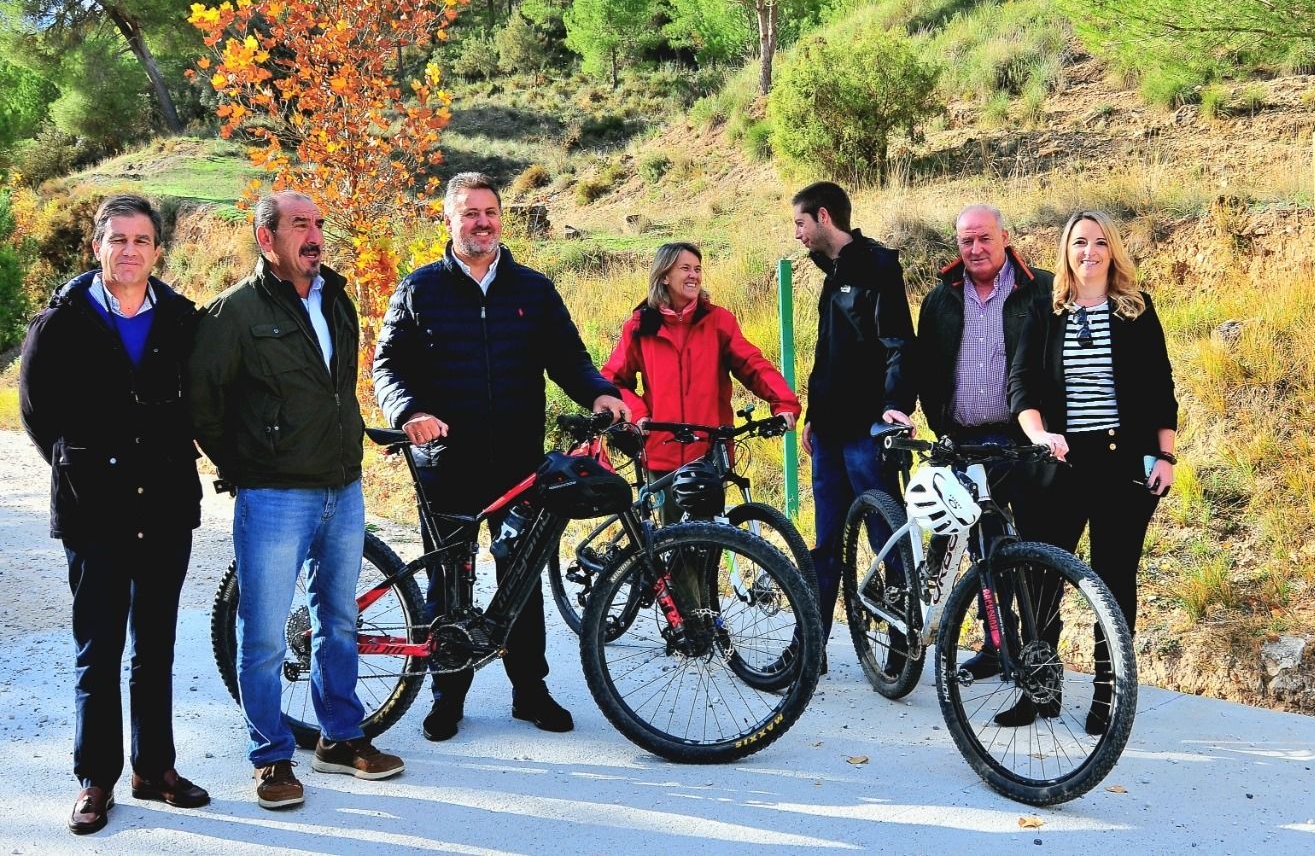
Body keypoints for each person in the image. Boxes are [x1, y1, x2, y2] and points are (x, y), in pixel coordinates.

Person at [373, 172, 629, 743]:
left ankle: (530, 692)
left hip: (519, 464)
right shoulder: (419, 289)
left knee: (522, 578)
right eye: (470, 213)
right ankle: (447, 696)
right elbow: (387, 367)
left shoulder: (532, 289)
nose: (482, 222)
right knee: (449, 580)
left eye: (490, 212)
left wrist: (600, 393)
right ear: (449, 220)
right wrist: (409, 411)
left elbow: (570, 359)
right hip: (445, 462)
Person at [189, 191, 404, 810]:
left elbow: (340, 388)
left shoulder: (335, 297)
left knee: (339, 621)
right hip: (275, 494)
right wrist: (247, 466)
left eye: (318, 224)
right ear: (267, 239)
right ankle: (271, 757)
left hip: (343, 486)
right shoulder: (234, 312)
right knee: (263, 636)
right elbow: (203, 404)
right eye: (299, 225)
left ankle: (340, 737)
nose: (314, 236)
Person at [20, 194, 210, 834]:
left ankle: (154, 769)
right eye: (118, 239)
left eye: (142, 240)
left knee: (154, 647)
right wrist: (81, 466)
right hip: (93, 511)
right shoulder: (60, 322)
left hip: (165, 507)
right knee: (97, 651)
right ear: (97, 246)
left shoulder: (181, 320)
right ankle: (94, 780)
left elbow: (199, 403)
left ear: (157, 250)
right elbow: (37, 416)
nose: (130, 250)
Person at [1007, 209, 1178, 730]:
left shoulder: (1136, 310)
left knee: (1114, 580)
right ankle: (1040, 689)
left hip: (1122, 466)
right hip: (1058, 464)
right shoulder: (1045, 310)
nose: (1090, 252)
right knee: (1041, 580)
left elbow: (1160, 388)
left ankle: (1109, 693)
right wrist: (1039, 435)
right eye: (1080, 242)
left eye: (1100, 242)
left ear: (1112, 251)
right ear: (1066, 250)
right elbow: (1021, 386)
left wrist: (1166, 456)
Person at [913, 203, 1054, 679]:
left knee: (1031, 547)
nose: (975, 249)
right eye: (966, 240)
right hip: (963, 443)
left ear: (1005, 238)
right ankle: (998, 643)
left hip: (1022, 440)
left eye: (984, 238)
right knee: (985, 549)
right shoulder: (940, 299)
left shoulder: (1041, 289)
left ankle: (1037, 650)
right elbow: (925, 367)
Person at [792, 181, 915, 655]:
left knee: (888, 540)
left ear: (823, 216)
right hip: (828, 434)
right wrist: (813, 415)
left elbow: (899, 344)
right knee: (825, 545)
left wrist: (896, 405)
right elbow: (828, 354)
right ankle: (810, 649)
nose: (798, 234)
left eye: (801, 223)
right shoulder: (832, 271)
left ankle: (902, 646)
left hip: (867, 433)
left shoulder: (877, 267)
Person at [601, 241, 800, 483]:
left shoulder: (718, 321)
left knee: (716, 510)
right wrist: (638, 414)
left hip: (711, 453)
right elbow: (613, 380)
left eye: (697, 269)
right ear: (664, 276)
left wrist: (784, 403)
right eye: (685, 268)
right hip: (660, 454)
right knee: (666, 511)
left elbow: (752, 365)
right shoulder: (640, 327)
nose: (694, 275)